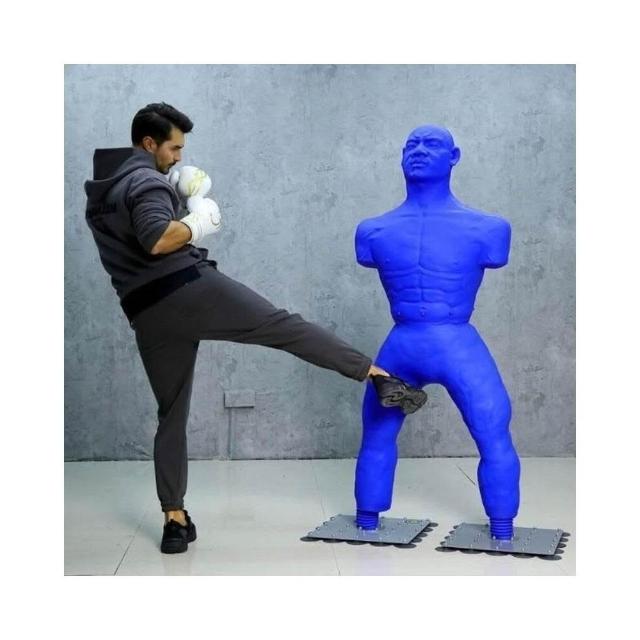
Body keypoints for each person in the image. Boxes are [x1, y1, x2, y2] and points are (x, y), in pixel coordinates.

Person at [83, 102, 427, 553]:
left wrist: (175, 194)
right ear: (149, 144)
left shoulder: (102, 194)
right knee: (284, 327)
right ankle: (376, 375)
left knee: (172, 413)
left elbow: (132, 235)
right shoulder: (146, 181)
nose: (179, 157)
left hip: (146, 314)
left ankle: (174, 519)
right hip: (188, 290)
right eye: (173, 149)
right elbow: (157, 239)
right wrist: (198, 221)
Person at [353, 125, 520, 539]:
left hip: (456, 343)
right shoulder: (372, 231)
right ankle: (367, 520)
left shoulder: (488, 228)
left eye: (431, 144)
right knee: (376, 432)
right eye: (411, 144)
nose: (419, 151)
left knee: (492, 429)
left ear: (454, 156)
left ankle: (503, 528)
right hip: (403, 342)